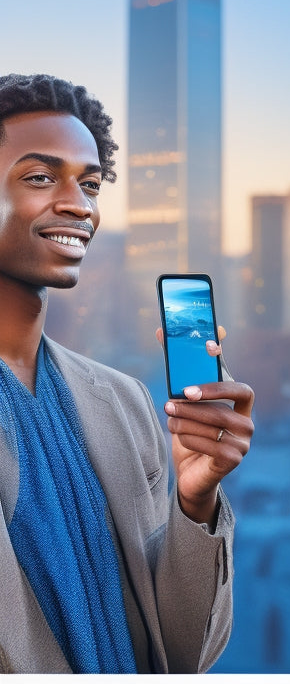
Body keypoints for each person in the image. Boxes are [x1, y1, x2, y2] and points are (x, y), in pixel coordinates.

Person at [0, 73, 254, 673]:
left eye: (90, 184)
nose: (79, 205)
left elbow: (181, 654)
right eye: (41, 177)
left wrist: (194, 499)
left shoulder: (122, 400)